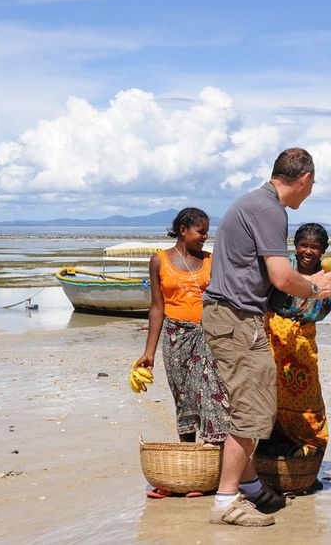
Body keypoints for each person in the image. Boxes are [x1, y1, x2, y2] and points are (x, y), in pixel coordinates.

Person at [202, 148, 331, 527]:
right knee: (252, 412)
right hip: (236, 318)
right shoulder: (270, 210)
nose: (310, 192)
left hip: (237, 316)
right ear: (304, 178)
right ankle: (226, 500)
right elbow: (283, 279)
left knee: (259, 404)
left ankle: (250, 484)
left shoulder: (255, 203)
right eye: (312, 184)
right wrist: (316, 286)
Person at [133, 208, 231, 497]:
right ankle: (190, 469)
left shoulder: (212, 260)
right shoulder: (159, 261)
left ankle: (213, 470)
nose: (205, 237)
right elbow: (157, 307)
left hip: (210, 333)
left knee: (214, 396)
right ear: (184, 229)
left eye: (206, 231)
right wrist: (148, 352)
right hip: (176, 337)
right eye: (201, 231)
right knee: (184, 398)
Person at [259, 223, 331, 465]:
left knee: (307, 397)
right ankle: (266, 450)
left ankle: (305, 451)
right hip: (272, 338)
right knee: (268, 394)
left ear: (323, 250)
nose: (308, 251)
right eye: (304, 245)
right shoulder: (284, 267)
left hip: (303, 346)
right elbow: (259, 296)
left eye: (315, 247)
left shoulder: (328, 276)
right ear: (295, 246)